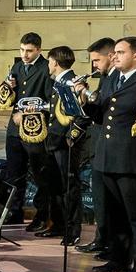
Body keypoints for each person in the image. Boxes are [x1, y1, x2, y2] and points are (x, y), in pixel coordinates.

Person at [83, 36, 136, 272]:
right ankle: (118, 258)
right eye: (114, 52)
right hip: (107, 154)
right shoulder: (112, 77)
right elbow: (101, 115)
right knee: (114, 213)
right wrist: (84, 101)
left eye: (120, 52)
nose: (114, 56)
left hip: (131, 157)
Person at [1, 32, 53, 227]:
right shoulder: (16, 66)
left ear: (38, 50)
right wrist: (9, 87)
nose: (25, 54)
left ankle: (42, 215)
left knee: (39, 174)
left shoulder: (46, 68)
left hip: (35, 129)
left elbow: (49, 101)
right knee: (14, 172)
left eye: (29, 51)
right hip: (14, 130)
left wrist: (27, 113)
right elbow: (10, 97)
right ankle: (14, 212)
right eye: (22, 50)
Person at [73, 37, 117, 255]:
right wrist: (84, 98)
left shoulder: (114, 78)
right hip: (99, 145)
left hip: (112, 149)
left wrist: (89, 97)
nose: (94, 66)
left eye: (97, 60)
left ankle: (109, 243)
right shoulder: (106, 77)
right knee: (100, 198)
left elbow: (104, 109)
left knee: (109, 201)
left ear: (111, 56)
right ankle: (102, 239)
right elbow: (98, 112)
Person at [44, 46, 84, 246]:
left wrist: (71, 136)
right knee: (56, 186)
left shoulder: (72, 82)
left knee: (69, 187)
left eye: (49, 61)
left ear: (56, 63)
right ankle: (59, 224)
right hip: (54, 140)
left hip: (65, 142)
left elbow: (79, 113)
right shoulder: (59, 81)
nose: (48, 65)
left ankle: (72, 229)